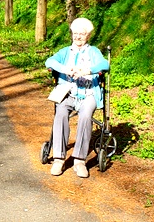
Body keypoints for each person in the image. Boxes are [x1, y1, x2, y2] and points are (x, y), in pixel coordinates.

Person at [45, 17, 109, 178]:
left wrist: (88, 71)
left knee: (86, 116)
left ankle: (79, 160)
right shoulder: (65, 51)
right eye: (75, 33)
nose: (78, 37)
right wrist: (65, 69)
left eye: (82, 34)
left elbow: (104, 65)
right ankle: (59, 158)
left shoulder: (93, 51)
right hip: (68, 92)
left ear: (88, 36)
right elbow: (50, 61)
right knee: (60, 113)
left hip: (88, 93)